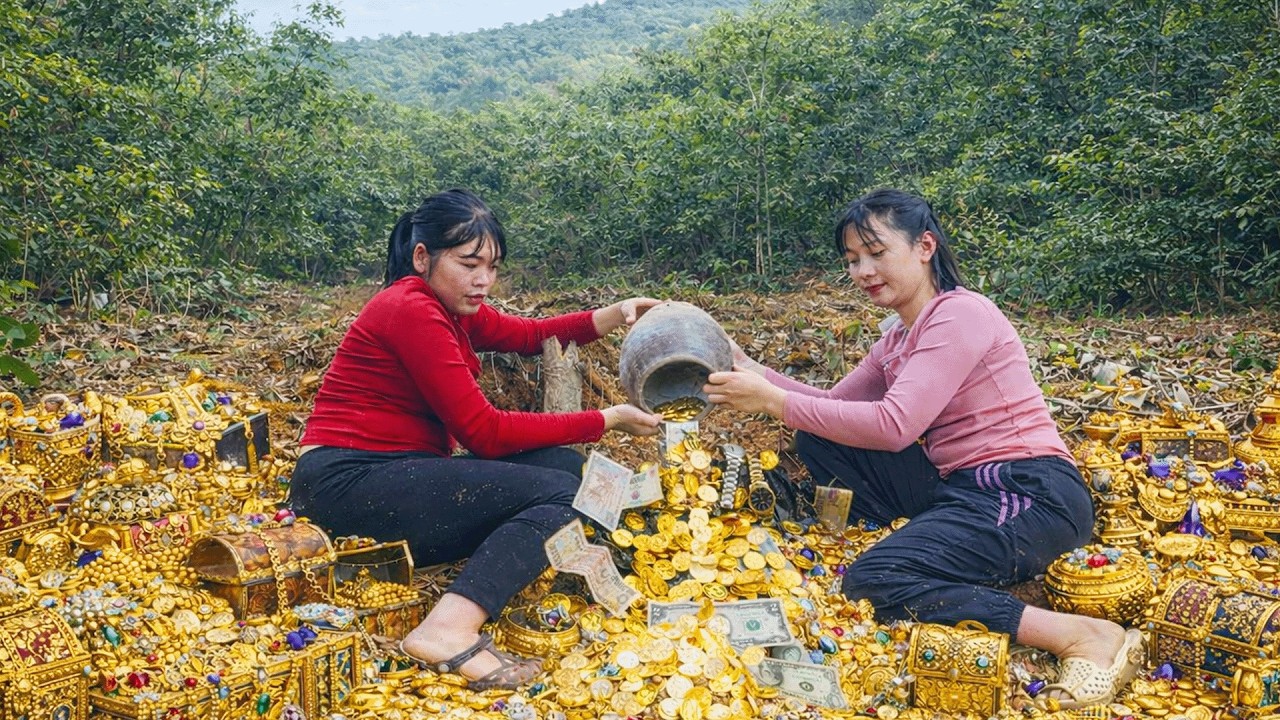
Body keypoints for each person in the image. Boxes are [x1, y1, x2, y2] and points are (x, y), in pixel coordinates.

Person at [703, 188, 1143, 710]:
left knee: (875, 580)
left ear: (925, 246)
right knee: (820, 434)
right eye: (851, 260)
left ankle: (1084, 637)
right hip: (959, 486)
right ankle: (920, 535)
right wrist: (752, 370)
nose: (863, 270)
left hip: (1027, 492)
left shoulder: (960, 315)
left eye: (876, 252)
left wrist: (771, 401)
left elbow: (893, 427)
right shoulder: (895, 339)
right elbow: (831, 406)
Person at [290, 188, 663, 691]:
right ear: (423, 257)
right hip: (347, 483)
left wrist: (619, 313)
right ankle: (447, 629)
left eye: (492, 266)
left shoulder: (451, 306)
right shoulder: (410, 308)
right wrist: (607, 418)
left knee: (564, 467)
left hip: (392, 473)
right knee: (564, 494)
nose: (483, 280)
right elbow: (484, 434)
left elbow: (531, 336)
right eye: (469, 264)